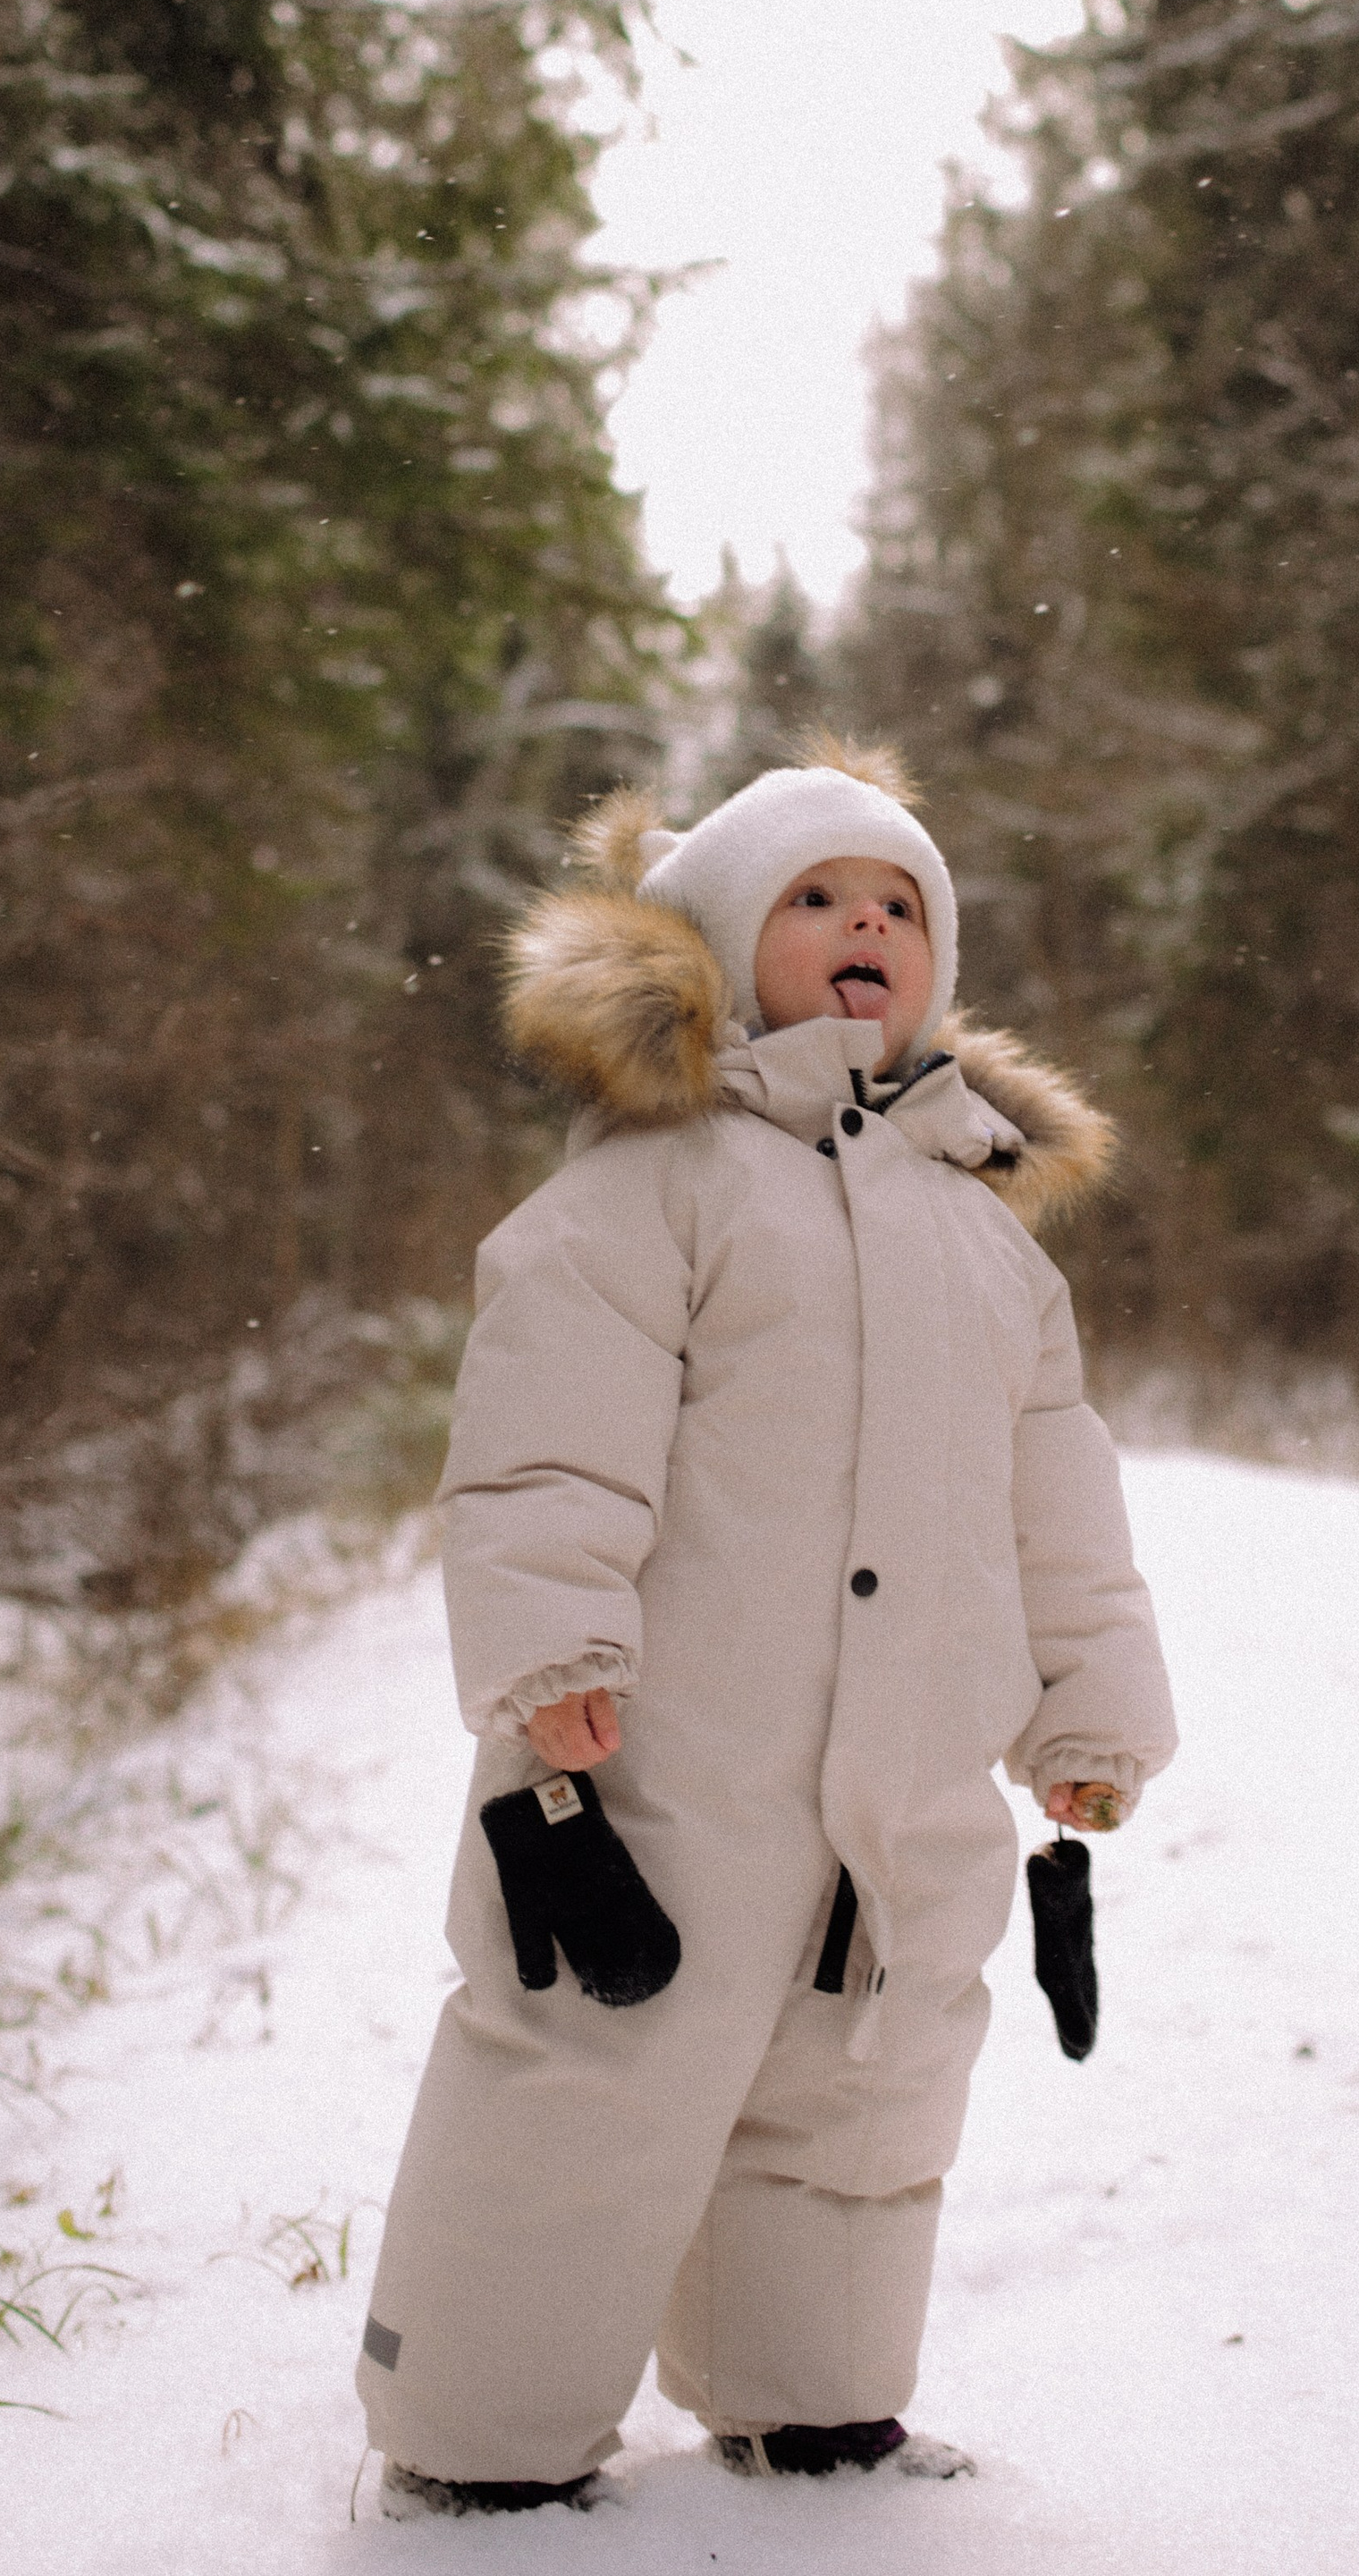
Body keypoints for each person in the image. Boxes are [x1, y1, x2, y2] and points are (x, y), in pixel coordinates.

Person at [355, 742, 1177, 2517]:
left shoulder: (986, 1235)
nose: (865, 927)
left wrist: (1090, 1712)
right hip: (668, 1760)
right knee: (592, 2075)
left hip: (908, 1772)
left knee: (865, 2085)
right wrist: (554, 1649)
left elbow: (1059, 1498)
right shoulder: (655, 1184)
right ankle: (479, 2445)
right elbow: (548, 1441)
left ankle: (809, 2402)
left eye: (898, 905)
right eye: (816, 899)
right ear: (727, 944)